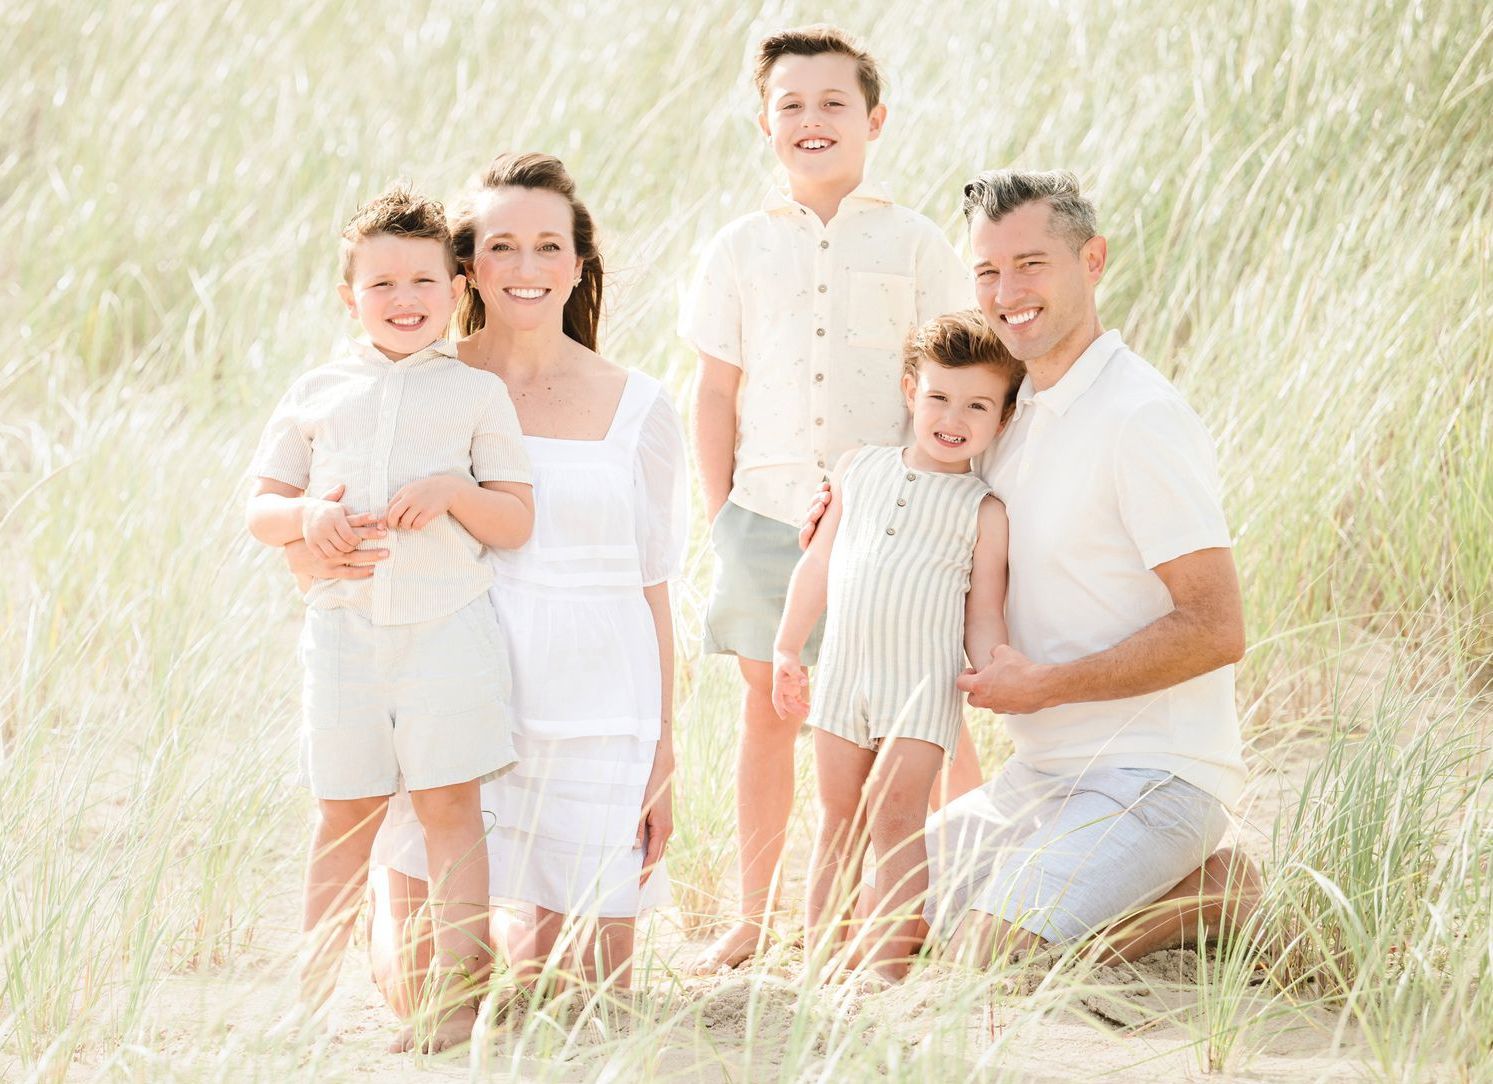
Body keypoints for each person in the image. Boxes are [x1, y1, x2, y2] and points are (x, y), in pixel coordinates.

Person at [801, 169, 1260, 967]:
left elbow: (1216, 629)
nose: (1006, 290)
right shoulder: (1003, 417)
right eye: (986, 270)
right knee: (883, 919)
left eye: (1030, 263)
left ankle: (1212, 892)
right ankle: (1115, 890)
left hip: (1154, 777)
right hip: (1042, 775)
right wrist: (855, 509)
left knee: (990, 955)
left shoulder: (1139, 418)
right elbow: (937, 526)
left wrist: (1044, 686)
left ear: (1092, 261)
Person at [356, 153, 686, 1036]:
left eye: (549, 246)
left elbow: (654, 590)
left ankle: (529, 924)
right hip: (455, 706)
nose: (528, 267)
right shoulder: (418, 387)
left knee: (583, 1007)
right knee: (435, 1001)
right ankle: (448, 921)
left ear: (579, 263)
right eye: (503, 246)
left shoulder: (641, 408)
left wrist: (662, 753)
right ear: (468, 266)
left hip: (594, 715)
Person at [680, 23, 981, 973]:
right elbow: (714, 390)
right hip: (766, 516)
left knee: (921, 715)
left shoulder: (918, 241)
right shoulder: (737, 249)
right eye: (791, 105)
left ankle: (970, 899)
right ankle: (754, 915)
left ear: (875, 119)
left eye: (833, 104)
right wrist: (721, 510)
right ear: (764, 124)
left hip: (890, 526)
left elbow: (957, 373)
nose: (812, 121)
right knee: (769, 714)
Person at [245, 186, 534, 1050]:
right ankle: (306, 1006)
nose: (403, 300)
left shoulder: (475, 395)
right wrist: (303, 520)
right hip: (343, 634)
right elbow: (260, 506)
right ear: (349, 299)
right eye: (380, 285)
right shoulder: (319, 390)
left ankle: (452, 1006)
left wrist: (455, 493)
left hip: (448, 628)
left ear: (455, 289)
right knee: (344, 813)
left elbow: (516, 518)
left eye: (422, 281)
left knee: (450, 807)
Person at [771, 312, 1021, 981]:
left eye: (977, 405)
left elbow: (984, 613)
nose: (953, 417)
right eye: (939, 396)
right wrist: (787, 646)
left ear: (1001, 418)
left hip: (921, 688)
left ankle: (885, 972)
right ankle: (819, 964)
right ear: (910, 391)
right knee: (835, 822)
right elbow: (817, 566)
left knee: (895, 818)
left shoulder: (982, 509)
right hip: (843, 678)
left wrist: (994, 669)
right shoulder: (856, 470)